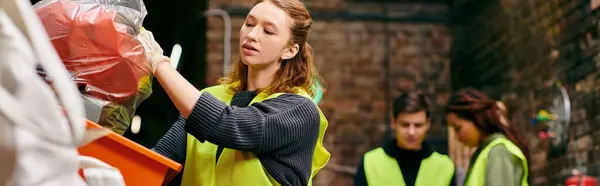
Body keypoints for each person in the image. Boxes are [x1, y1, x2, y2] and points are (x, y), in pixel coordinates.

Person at [136, 0, 330, 185]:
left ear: (290, 50)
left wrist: (158, 62)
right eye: (249, 23)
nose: (252, 35)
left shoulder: (299, 110)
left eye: (268, 31)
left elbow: (228, 124)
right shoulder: (212, 96)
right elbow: (158, 162)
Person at [354, 91, 456, 186]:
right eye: (405, 125)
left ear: (428, 124)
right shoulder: (371, 164)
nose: (411, 132)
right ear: (393, 122)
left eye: (418, 125)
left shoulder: (444, 167)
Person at [445, 88, 529, 186]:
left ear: (475, 118)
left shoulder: (498, 151)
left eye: (458, 128)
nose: (456, 137)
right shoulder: (486, 152)